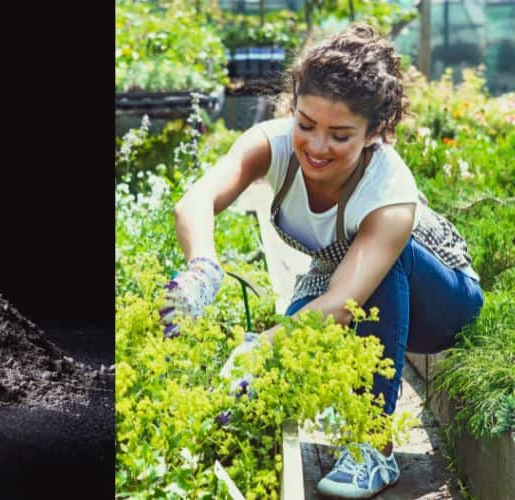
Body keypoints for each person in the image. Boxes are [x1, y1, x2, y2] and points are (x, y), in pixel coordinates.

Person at [160, 23, 484, 499]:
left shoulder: (389, 192)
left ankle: (374, 446)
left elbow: (342, 303)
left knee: (297, 332)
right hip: (345, 280)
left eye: (339, 135)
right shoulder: (271, 145)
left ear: (374, 133)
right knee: (270, 374)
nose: (315, 146)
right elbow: (195, 200)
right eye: (306, 124)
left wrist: (261, 344)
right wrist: (202, 268)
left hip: (441, 300)